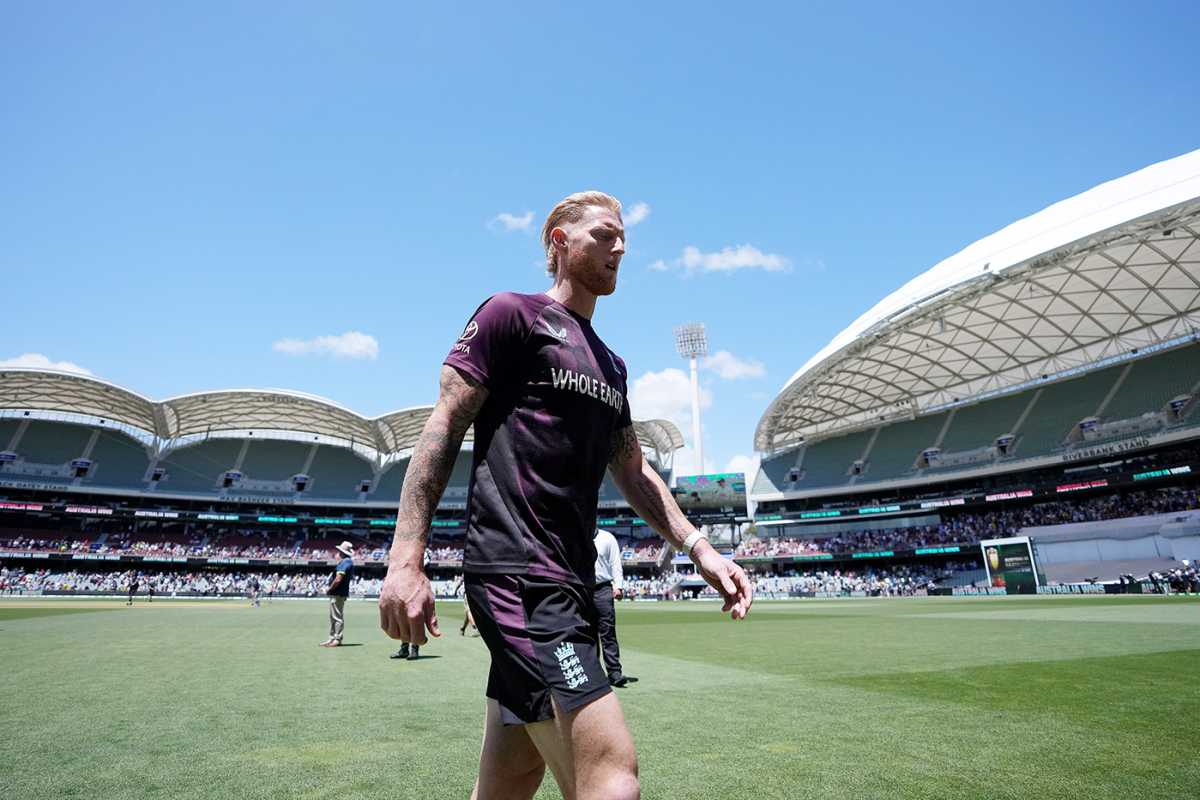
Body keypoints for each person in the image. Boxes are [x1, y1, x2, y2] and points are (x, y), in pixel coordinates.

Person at [379, 191, 753, 800]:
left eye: (624, 237)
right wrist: (405, 561)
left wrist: (700, 547)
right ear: (560, 240)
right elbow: (444, 425)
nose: (621, 247)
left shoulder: (612, 365)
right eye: (605, 234)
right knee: (611, 775)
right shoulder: (511, 316)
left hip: (569, 583)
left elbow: (634, 471)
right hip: (523, 578)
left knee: (508, 782)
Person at [592, 528, 635, 687]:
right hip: (582, 588)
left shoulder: (607, 538)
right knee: (586, 633)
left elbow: (615, 563)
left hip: (603, 589)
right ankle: (593, 673)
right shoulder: (577, 534)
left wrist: (619, 586)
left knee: (607, 631)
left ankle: (614, 673)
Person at [320, 541, 355, 647]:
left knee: (337, 617)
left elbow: (338, 579)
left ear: (341, 552)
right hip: (338, 593)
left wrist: (329, 589)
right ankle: (332, 638)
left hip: (338, 593)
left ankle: (337, 638)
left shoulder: (345, 562)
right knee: (334, 617)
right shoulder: (346, 562)